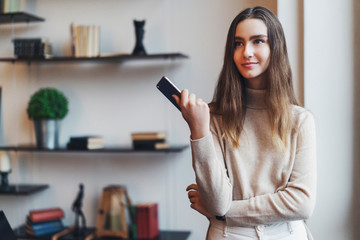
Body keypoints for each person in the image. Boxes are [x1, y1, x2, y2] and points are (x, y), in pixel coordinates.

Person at [173, 6, 316, 240]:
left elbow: (302, 204)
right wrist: (199, 131)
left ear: (275, 48)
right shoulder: (213, 117)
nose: (246, 52)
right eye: (238, 44)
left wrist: (228, 212)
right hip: (229, 235)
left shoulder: (300, 121)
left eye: (258, 41)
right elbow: (218, 202)